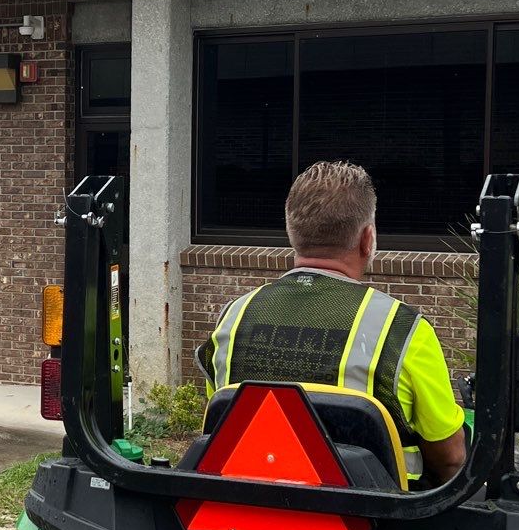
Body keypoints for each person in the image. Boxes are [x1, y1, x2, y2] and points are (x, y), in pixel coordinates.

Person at [197, 159, 467, 485]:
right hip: (377, 528)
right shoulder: (402, 331)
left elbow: (218, 424)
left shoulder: (233, 319)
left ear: (292, 234)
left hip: (248, 520)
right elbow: (451, 460)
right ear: (367, 239)